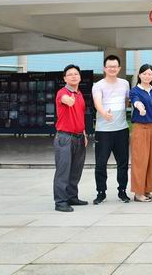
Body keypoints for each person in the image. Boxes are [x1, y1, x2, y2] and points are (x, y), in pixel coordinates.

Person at [92, 54, 131, 204]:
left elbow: (127, 100)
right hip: (103, 131)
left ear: (119, 68)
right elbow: (97, 102)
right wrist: (103, 113)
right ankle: (101, 192)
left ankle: (122, 191)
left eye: (115, 66)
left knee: (123, 163)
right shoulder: (98, 85)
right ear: (104, 68)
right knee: (101, 163)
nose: (112, 69)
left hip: (121, 129)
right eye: (109, 67)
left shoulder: (125, 83)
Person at [53, 64, 89, 212]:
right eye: (70, 74)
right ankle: (60, 202)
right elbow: (65, 100)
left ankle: (72, 197)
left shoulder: (80, 94)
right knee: (63, 171)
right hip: (65, 137)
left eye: (76, 74)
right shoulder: (62, 93)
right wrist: (69, 100)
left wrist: (84, 133)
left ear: (80, 77)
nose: (73, 76)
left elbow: (80, 116)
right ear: (65, 78)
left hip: (79, 136)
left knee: (75, 170)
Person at [129, 64, 152, 202]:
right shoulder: (135, 90)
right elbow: (136, 101)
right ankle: (138, 193)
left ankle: (147, 190)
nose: (147, 76)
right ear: (140, 75)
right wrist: (140, 107)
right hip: (140, 128)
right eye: (145, 74)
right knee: (140, 160)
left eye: (150, 74)